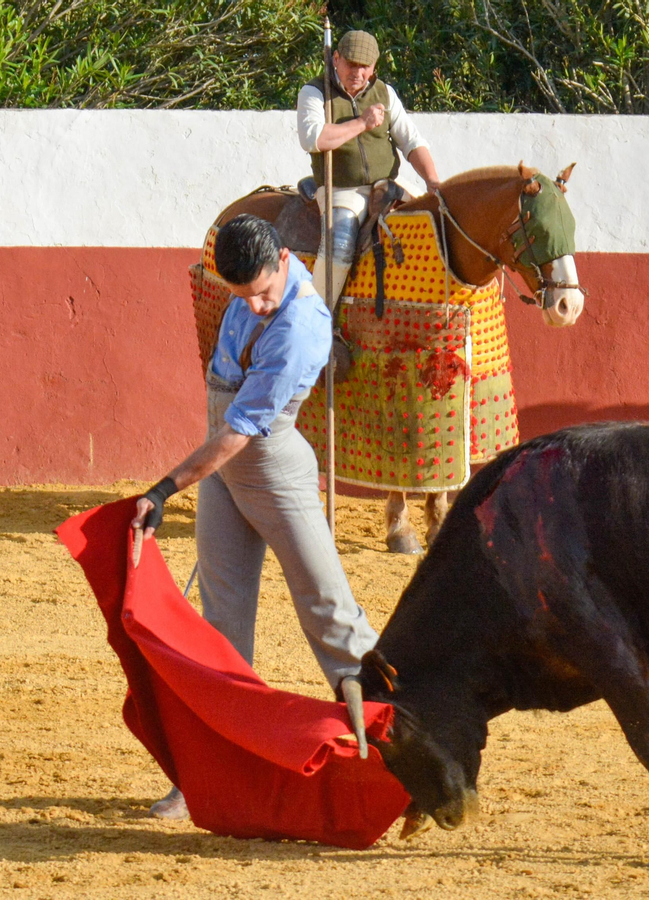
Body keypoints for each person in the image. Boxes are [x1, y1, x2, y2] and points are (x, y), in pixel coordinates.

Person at [129, 214, 380, 819]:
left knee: (329, 611)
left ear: (286, 258)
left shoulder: (302, 327)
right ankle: (204, 777)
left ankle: (401, 745)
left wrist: (167, 488)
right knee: (220, 625)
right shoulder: (244, 291)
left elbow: (242, 430)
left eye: (265, 293)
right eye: (246, 298)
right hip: (225, 468)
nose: (259, 306)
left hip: (272, 470)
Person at [296, 29, 442, 306]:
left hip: (385, 185)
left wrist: (432, 180)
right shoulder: (314, 92)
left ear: (375, 66)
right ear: (336, 59)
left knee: (428, 223)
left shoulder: (385, 93)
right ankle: (314, 316)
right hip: (342, 189)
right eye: (351, 63)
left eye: (365, 66)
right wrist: (362, 123)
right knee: (339, 243)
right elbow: (313, 139)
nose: (358, 72)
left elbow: (411, 142)